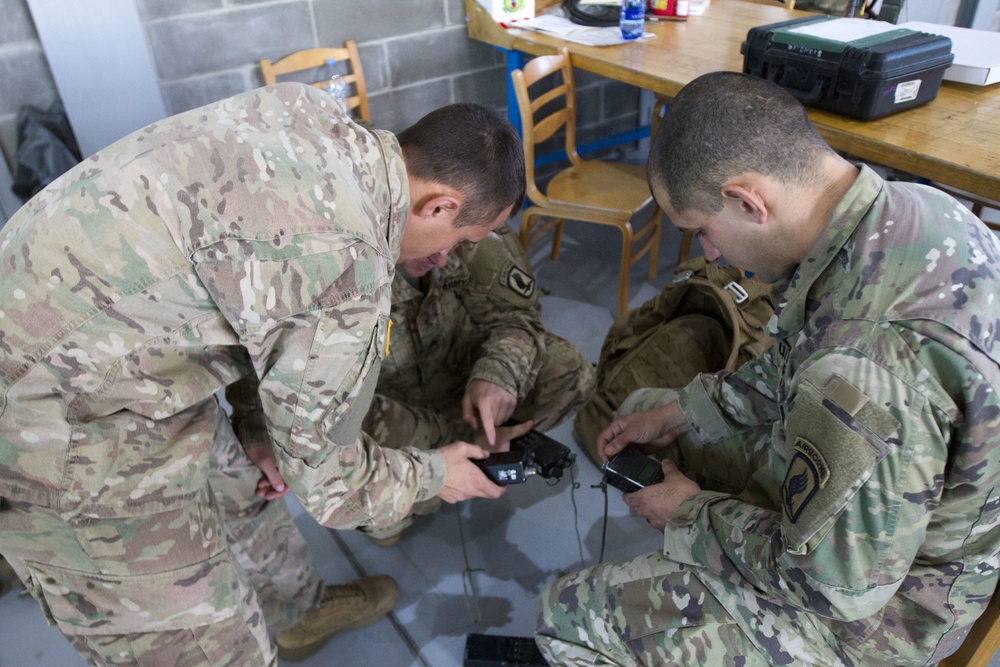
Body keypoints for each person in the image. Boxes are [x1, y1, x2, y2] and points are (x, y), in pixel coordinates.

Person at [0, 82, 525, 666]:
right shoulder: (344, 264)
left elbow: (250, 285)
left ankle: (296, 613)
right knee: (203, 649)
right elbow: (330, 484)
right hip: (55, 423)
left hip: (107, 345)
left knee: (243, 483)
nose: (448, 258)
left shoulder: (312, 114)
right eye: (462, 238)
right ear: (439, 206)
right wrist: (435, 474)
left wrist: (254, 423)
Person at [535, 71, 1000, 666]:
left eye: (702, 231)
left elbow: (836, 585)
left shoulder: (864, 363)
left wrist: (690, 515)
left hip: (892, 608)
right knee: (636, 412)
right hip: (888, 502)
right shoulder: (907, 210)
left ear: (749, 201)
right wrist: (677, 413)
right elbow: (794, 359)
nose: (707, 253)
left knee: (564, 617)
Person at [252, 224, 596, 543]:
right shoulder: (331, 267)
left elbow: (515, 317)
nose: (443, 258)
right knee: (384, 525)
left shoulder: (468, 231)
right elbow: (279, 382)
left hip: (461, 385)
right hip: (389, 419)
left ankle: (470, 457)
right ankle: (442, 469)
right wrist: (257, 434)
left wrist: (498, 373)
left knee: (569, 373)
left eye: (455, 244)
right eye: (434, 245)